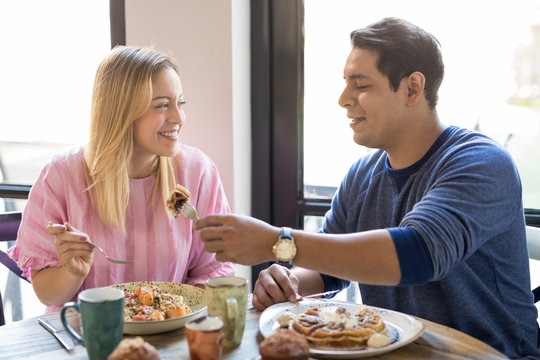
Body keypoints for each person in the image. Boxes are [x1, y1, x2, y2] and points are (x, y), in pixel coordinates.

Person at [195, 18, 540, 358]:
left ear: (412, 88)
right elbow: (329, 267)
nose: (343, 99)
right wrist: (292, 282)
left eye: (360, 85)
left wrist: (276, 241)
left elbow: (416, 255)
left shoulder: (481, 163)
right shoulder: (362, 175)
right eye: (345, 83)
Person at [9, 45, 234, 313]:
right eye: (162, 105)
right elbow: (47, 294)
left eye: (180, 103)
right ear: (122, 111)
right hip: (88, 339)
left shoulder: (198, 172)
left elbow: (214, 272)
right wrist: (73, 271)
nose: (179, 117)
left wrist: (166, 318)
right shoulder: (61, 176)